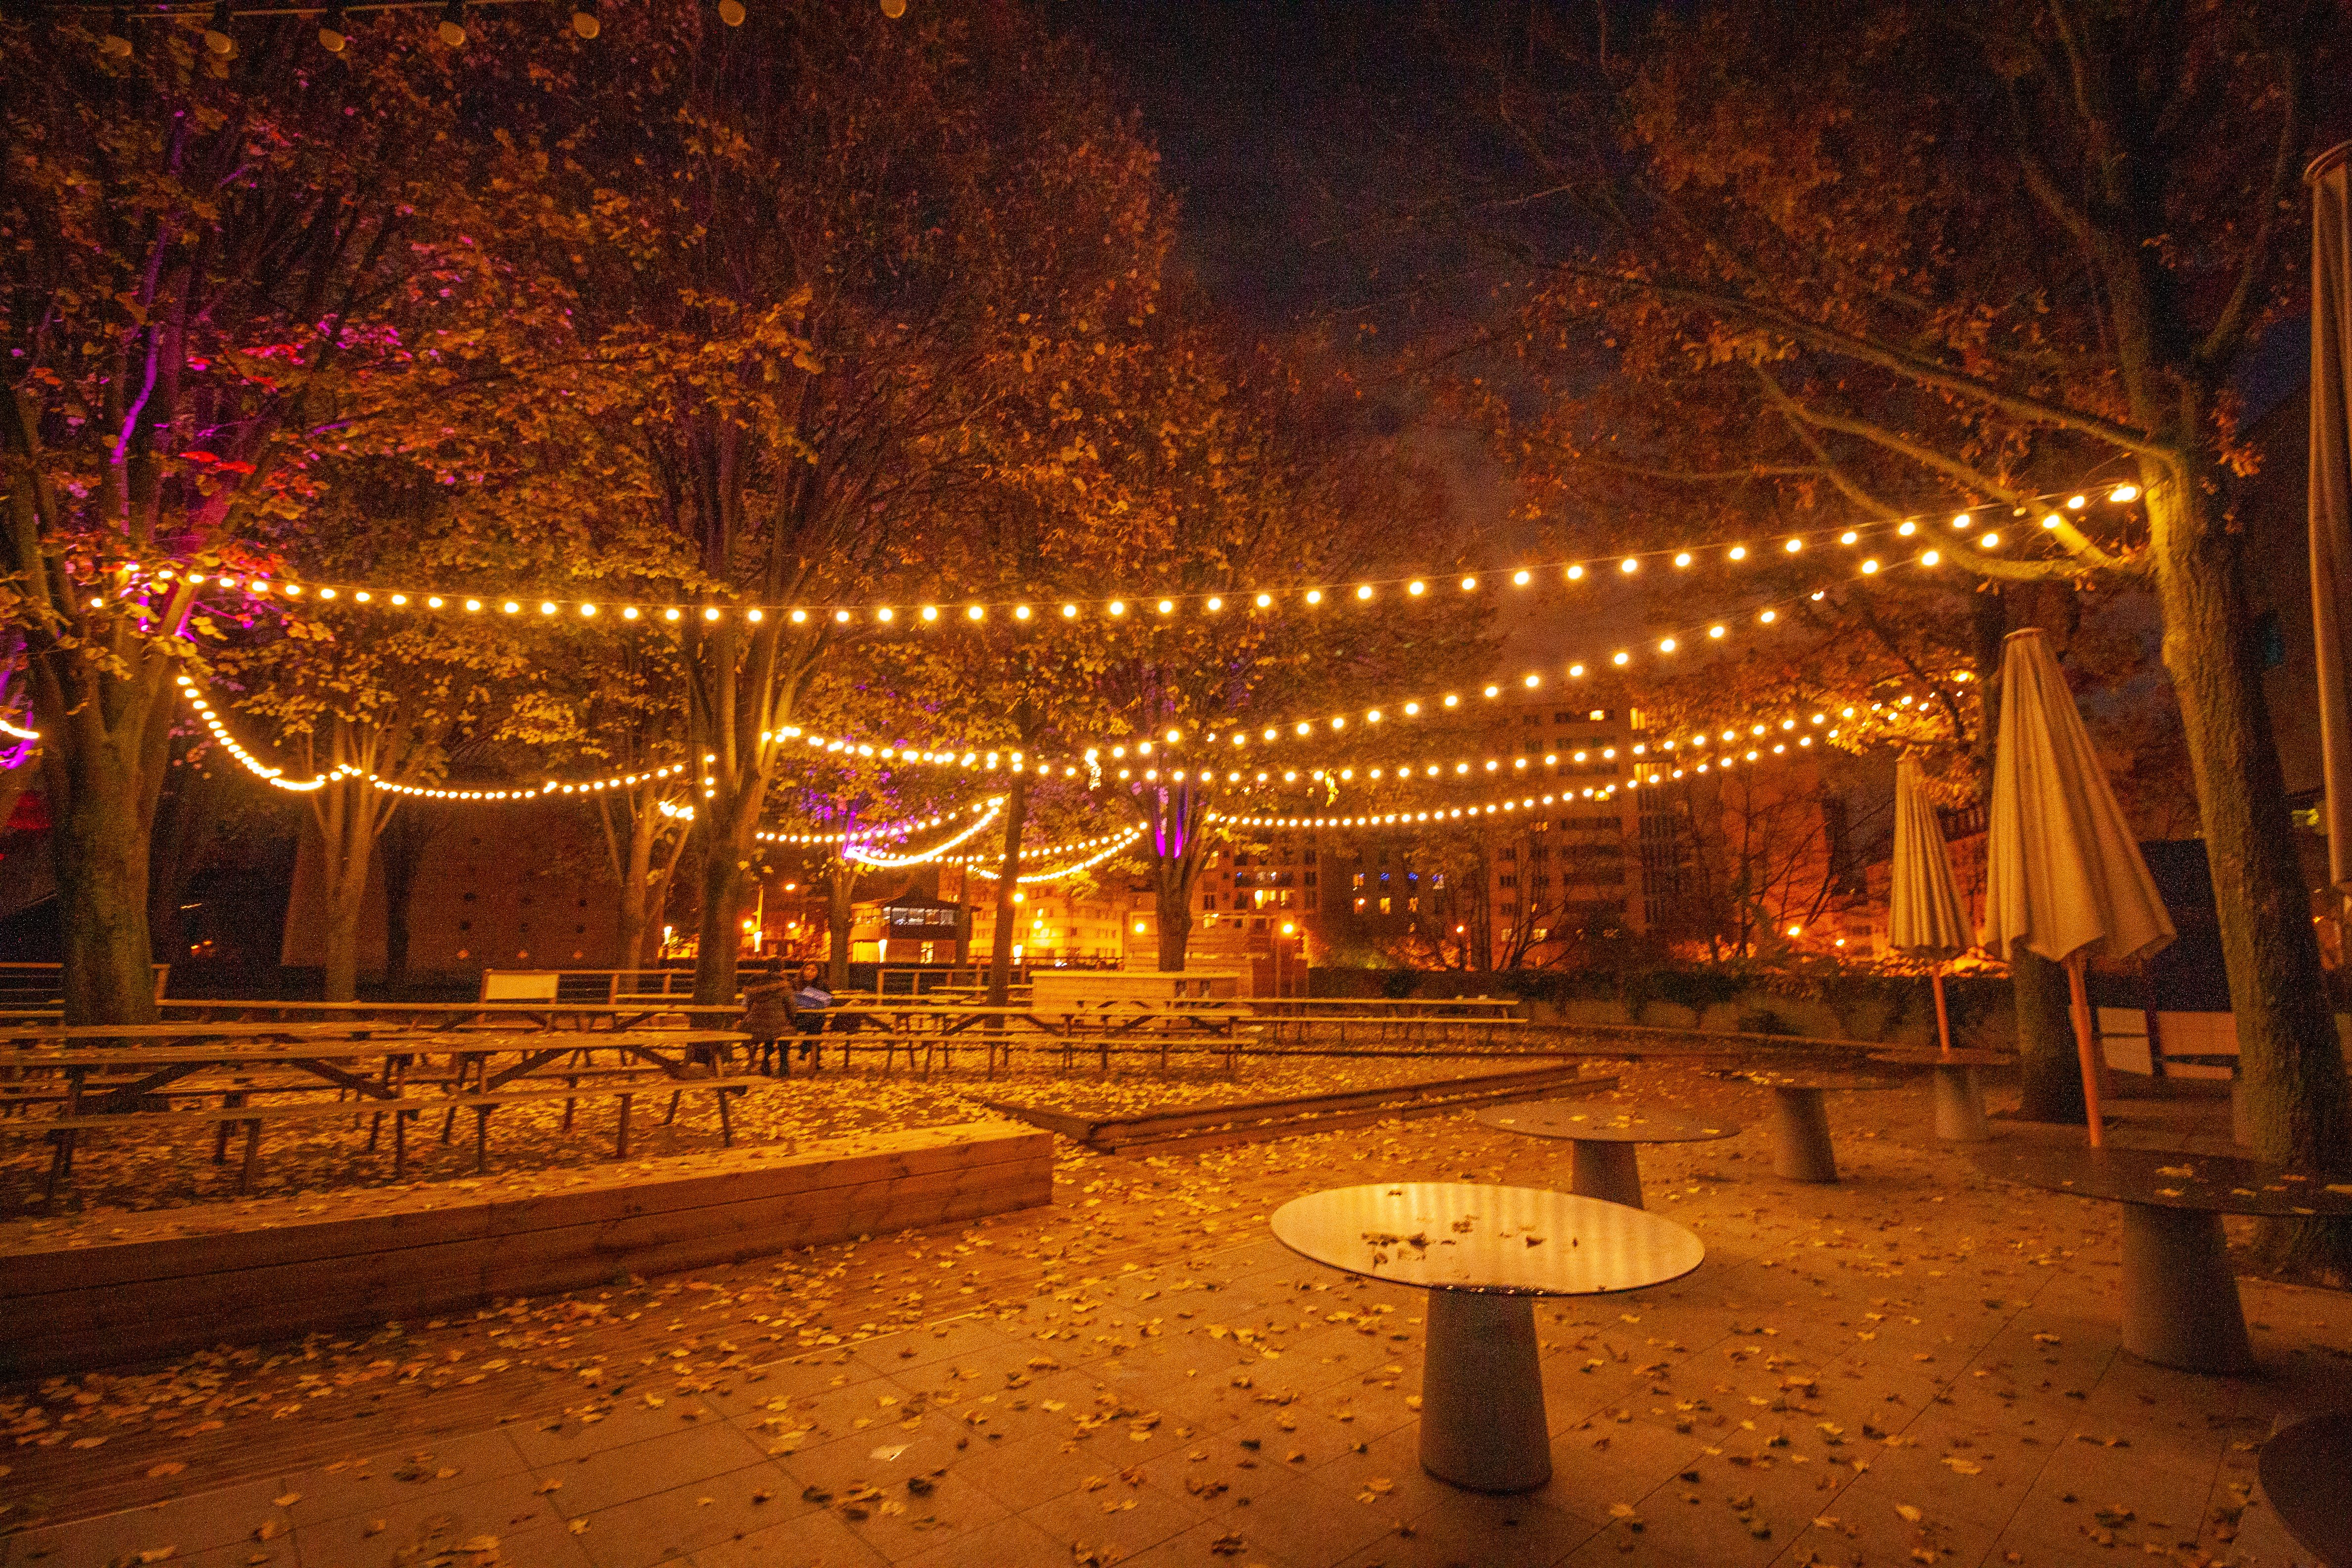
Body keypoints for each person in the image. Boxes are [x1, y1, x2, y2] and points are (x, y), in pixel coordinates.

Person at [738, 957, 794, 1076]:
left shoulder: (756, 984)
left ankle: (766, 1060)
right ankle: (784, 1063)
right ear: (782, 969)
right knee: (785, 1031)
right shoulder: (784, 986)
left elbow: (745, 1005)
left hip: (753, 1025)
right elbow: (790, 1007)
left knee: (769, 1031)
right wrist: (792, 1018)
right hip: (776, 1026)